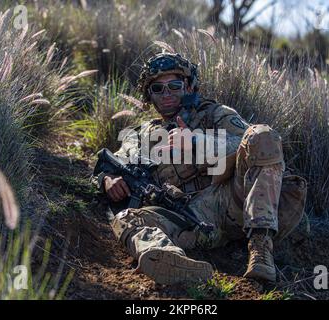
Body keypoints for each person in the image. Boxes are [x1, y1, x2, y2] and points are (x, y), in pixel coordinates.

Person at [93, 53, 306, 285]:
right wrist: (108, 179)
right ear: (149, 95)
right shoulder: (142, 135)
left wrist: (196, 141)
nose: (167, 94)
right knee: (126, 219)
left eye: (174, 86)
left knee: (262, 134)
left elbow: (254, 140)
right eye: (157, 88)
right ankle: (167, 259)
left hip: (233, 202)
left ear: (188, 86)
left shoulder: (214, 114)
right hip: (188, 218)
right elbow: (114, 163)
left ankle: (261, 249)